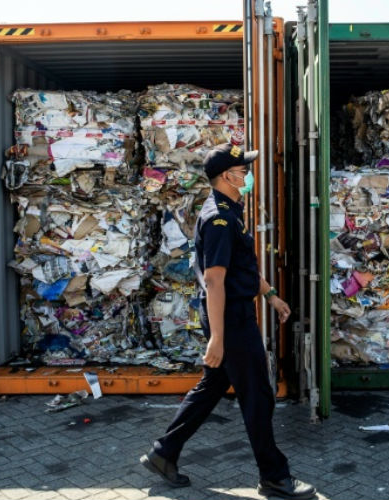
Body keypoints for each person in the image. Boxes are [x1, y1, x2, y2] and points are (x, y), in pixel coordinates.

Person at [140, 143, 316, 500]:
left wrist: (270, 295)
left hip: (231, 314)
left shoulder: (230, 211)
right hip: (230, 319)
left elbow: (241, 267)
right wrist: (217, 338)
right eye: (243, 170)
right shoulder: (218, 218)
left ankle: (164, 452)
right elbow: (216, 280)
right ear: (227, 177)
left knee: (213, 387)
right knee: (258, 395)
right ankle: (275, 478)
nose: (247, 176)